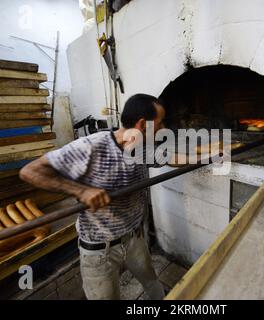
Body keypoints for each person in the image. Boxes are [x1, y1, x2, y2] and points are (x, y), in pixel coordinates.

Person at [20, 93, 167, 300]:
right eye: (160, 124)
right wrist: (81, 191)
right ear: (143, 124)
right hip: (100, 251)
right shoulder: (90, 146)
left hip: (135, 238)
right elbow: (30, 171)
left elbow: (173, 158)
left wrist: (214, 152)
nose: (162, 129)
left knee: (152, 282)